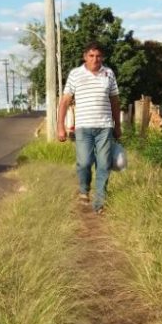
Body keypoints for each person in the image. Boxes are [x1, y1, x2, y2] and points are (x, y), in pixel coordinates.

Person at [57, 42, 122, 214]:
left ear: (103, 58)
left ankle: (100, 201)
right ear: (85, 57)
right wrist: (60, 127)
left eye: (99, 56)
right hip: (83, 127)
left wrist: (118, 126)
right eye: (91, 56)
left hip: (105, 127)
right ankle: (84, 189)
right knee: (85, 162)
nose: (95, 59)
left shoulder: (109, 74)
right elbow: (64, 102)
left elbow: (115, 101)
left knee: (104, 164)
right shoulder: (75, 74)